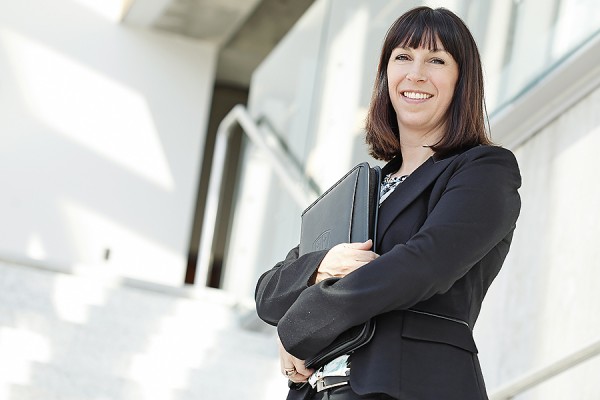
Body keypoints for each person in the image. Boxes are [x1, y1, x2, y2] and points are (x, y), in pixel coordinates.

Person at [255, 6, 521, 400]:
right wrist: (321, 266)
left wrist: (302, 326)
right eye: (403, 57)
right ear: (385, 75)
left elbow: (423, 264)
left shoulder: (484, 170)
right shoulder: (362, 190)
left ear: (462, 81)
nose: (416, 73)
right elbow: (268, 294)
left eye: (436, 59)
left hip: (412, 387)